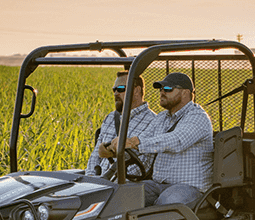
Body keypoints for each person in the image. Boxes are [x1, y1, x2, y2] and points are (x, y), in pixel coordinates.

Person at [116, 72, 213, 206]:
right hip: (158, 185)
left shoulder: (198, 117)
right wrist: (118, 145)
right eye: (161, 89)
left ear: (185, 93)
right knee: (122, 195)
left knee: (165, 205)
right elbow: (143, 138)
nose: (162, 92)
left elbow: (177, 141)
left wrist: (136, 143)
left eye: (168, 89)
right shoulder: (162, 118)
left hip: (190, 188)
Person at [86, 71, 159, 179]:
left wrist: (110, 181)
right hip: (99, 182)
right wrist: (90, 177)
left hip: (124, 185)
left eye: (120, 89)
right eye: (114, 90)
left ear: (136, 90)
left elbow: (141, 167)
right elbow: (95, 155)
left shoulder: (154, 122)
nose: (116, 93)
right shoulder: (111, 117)